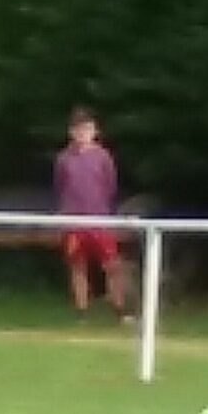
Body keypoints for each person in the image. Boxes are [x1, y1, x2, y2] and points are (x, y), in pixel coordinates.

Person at [53, 106, 130, 321]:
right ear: (71, 132)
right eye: (78, 130)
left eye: (87, 129)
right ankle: (82, 311)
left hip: (99, 219)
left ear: (95, 131)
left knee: (112, 266)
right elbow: (60, 186)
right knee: (77, 266)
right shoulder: (63, 159)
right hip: (73, 222)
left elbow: (110, 186)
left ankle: (119, 310)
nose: (83, 134)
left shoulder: (104, 157)